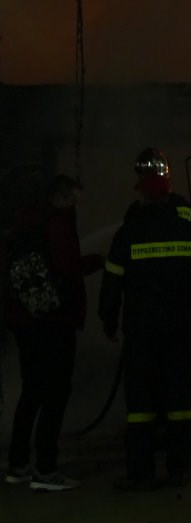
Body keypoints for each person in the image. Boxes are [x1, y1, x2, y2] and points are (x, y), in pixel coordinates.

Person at [99, 147, 191, 491]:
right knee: (180, 401)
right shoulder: (187, 230)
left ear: (142, 195)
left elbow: (111, 283)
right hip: (179, 330)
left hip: (140, 332)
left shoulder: (128, 233)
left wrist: (109, 320)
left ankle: (141, 472)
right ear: (168, 193)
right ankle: (178, 468)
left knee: (140, 404)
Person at [3, 174, 104, 491]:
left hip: (23, 320)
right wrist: (99, 261)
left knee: (32, 391)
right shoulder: (58, 223)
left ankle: (18, 465)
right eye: (73, 198)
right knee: (56, 393)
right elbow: (68, 267)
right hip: (54, 321)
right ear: (59, 197)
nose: (76, 205)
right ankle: (46, 470)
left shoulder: (24, 222)